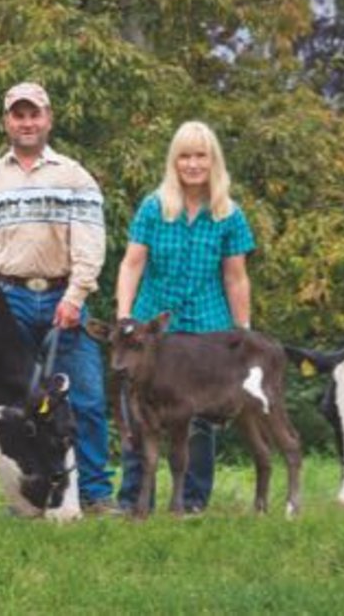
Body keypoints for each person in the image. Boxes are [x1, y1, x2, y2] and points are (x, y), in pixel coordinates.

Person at [0, 82, 115, 512]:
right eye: (19, 115)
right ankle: (27, 495)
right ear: (7, 122)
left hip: (62, 299)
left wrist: (75, 296)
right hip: (7, 300)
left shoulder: (74, 176)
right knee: (16, 406)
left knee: (83, 399)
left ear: (48, 119)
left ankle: (94, 493)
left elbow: (90, 244)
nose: (27, 122)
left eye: (34, 114)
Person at [114, 120, 255, 513]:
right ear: (173, 162)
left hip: (205, 328)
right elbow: (131, 264)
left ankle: (192, 501)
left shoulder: (230, 215)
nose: (192, 164)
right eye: (184, 156)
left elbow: (235, 276)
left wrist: (242, 332)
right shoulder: (153, 207)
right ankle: (133, 502)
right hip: (152, 331)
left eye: (200, 156)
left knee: (200, 420)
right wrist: (125, 317)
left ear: (213, 162)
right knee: (141, 413)